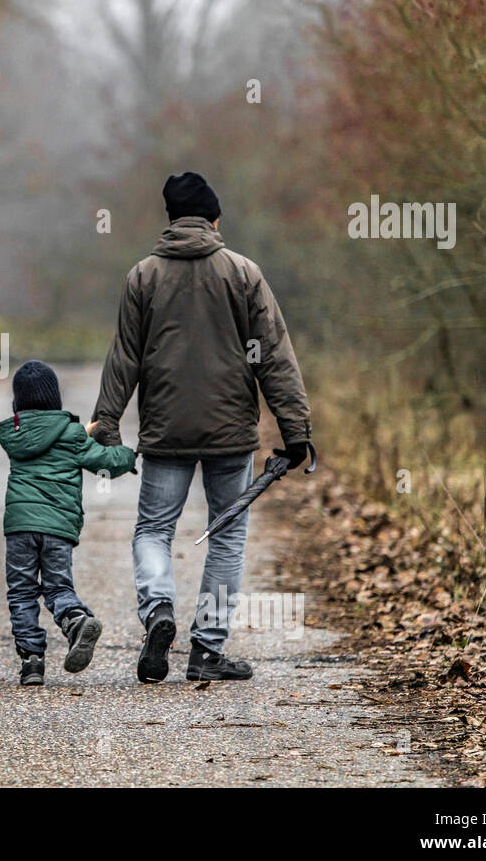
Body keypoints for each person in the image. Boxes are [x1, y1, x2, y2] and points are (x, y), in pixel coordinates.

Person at [89, 173, 316, 684]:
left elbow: (124, 357)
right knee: (226, 535)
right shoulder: (243, 274)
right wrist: (295, 427)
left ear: (170, 220)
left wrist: (108, 423)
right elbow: (274, 355)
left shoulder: (142, 277)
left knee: (153, 528)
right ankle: (206, 650)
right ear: (214, 219)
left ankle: (159, 612)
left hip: (166, 430)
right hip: (230, 432)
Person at [0, 360, 136, 686]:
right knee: (58, 587)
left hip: (19, 527)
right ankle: (75, 620)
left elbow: (42, 437)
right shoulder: (72, 434)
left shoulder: (15, 434)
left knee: (21, 592)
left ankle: (31, 661)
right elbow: (107, 462)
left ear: (18, 401)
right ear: (55, 398)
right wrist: (129, 456)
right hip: (58, 528)